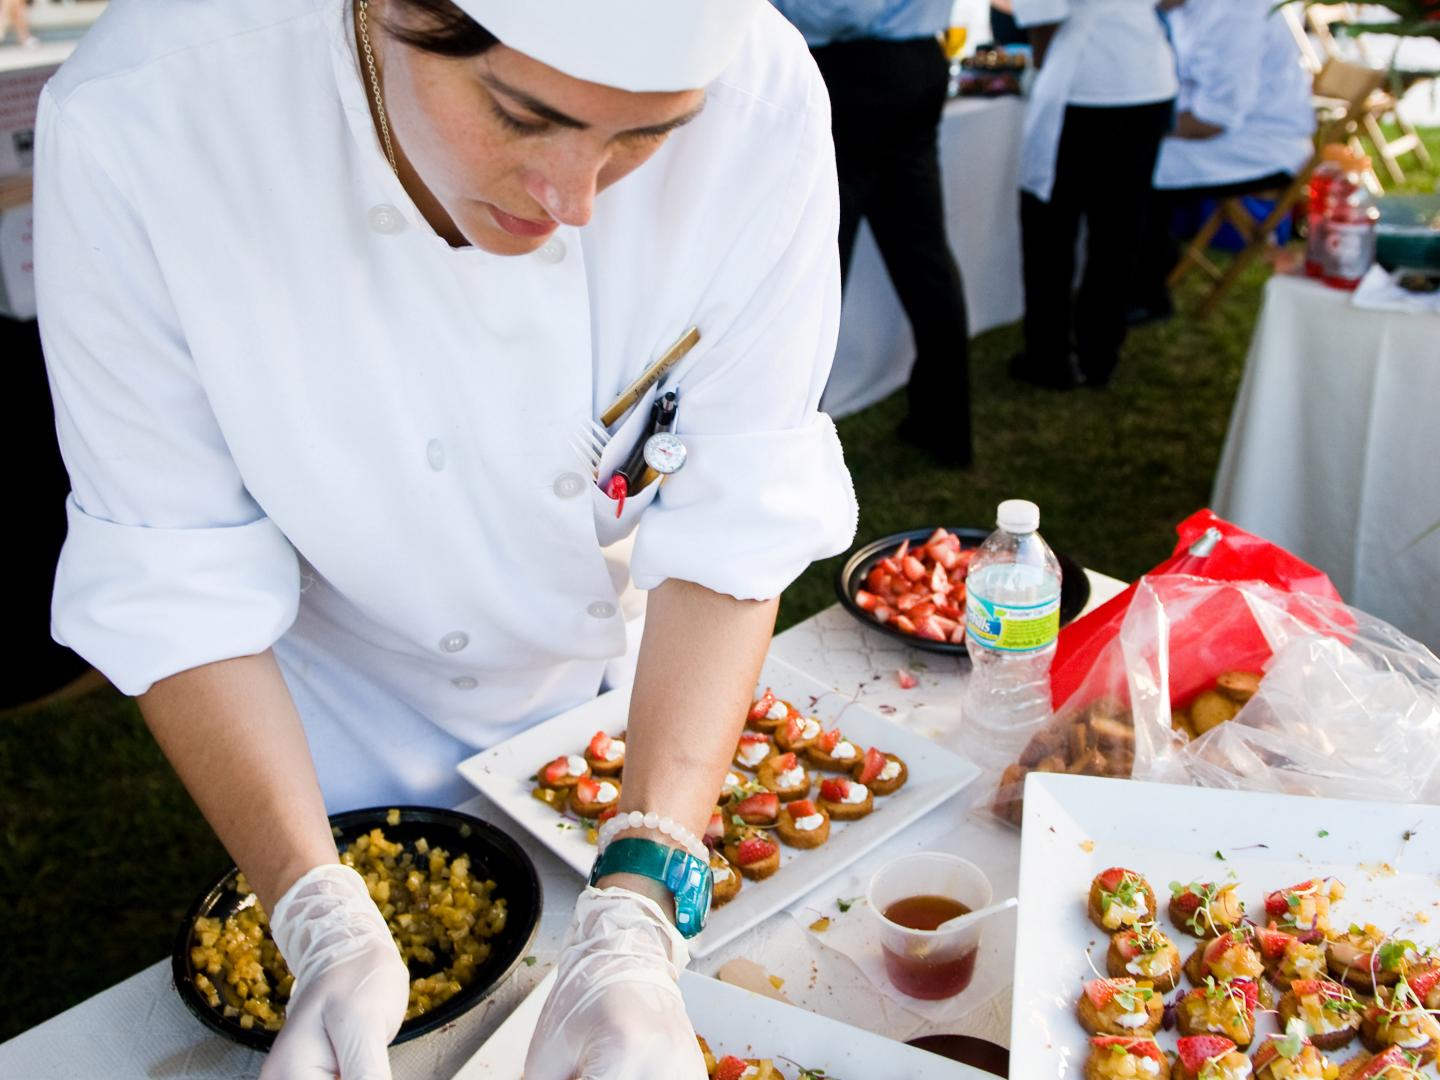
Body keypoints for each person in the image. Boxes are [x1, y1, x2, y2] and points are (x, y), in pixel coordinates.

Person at [34, 1, 857, 1077]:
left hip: (628, 692)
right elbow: (173, 580)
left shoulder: (764, 103)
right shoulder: (140, 115)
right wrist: (310, 905)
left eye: (647, 136)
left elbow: (731, 530)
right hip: (329, 717)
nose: (575, 201)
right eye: (522, 117)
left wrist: (642, 905)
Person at [771, 0, 974, 468]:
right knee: (923, 256)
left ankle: (792, 441)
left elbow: (843, 10)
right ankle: (943, 423)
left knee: (821, 260)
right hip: (915, 60)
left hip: (859, 71)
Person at [1008, 0, 1177, 389]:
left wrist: (1044, 64)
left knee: (1051, 230)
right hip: (1146, 78)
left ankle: (1049, 358)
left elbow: (1043, 16)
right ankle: (1100, 355)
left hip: (1084, 84)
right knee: (1119, 231)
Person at [1131, 0, 1314, 321]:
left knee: (1132, 161)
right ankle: (1140, 273)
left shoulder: (1234, 12)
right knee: (1126, 154)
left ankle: (1144, 294)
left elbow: (1212, 119)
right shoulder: (1196, 9)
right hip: (1234, 132)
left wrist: (1134, 125)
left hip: (1262, 144)